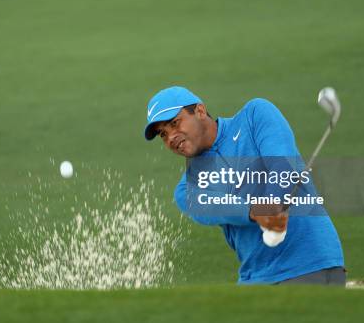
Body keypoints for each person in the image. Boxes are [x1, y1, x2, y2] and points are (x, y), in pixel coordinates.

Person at [144, 86, 345, 285]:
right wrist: (257, 211)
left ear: (200, 111)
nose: (171, 137)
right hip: (255, 276)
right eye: (163, 134)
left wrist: (273, 202)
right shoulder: (187, 189)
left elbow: (282, 163)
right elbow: (218, 207)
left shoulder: (254, 116)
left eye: (175, 123)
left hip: (308, 265)